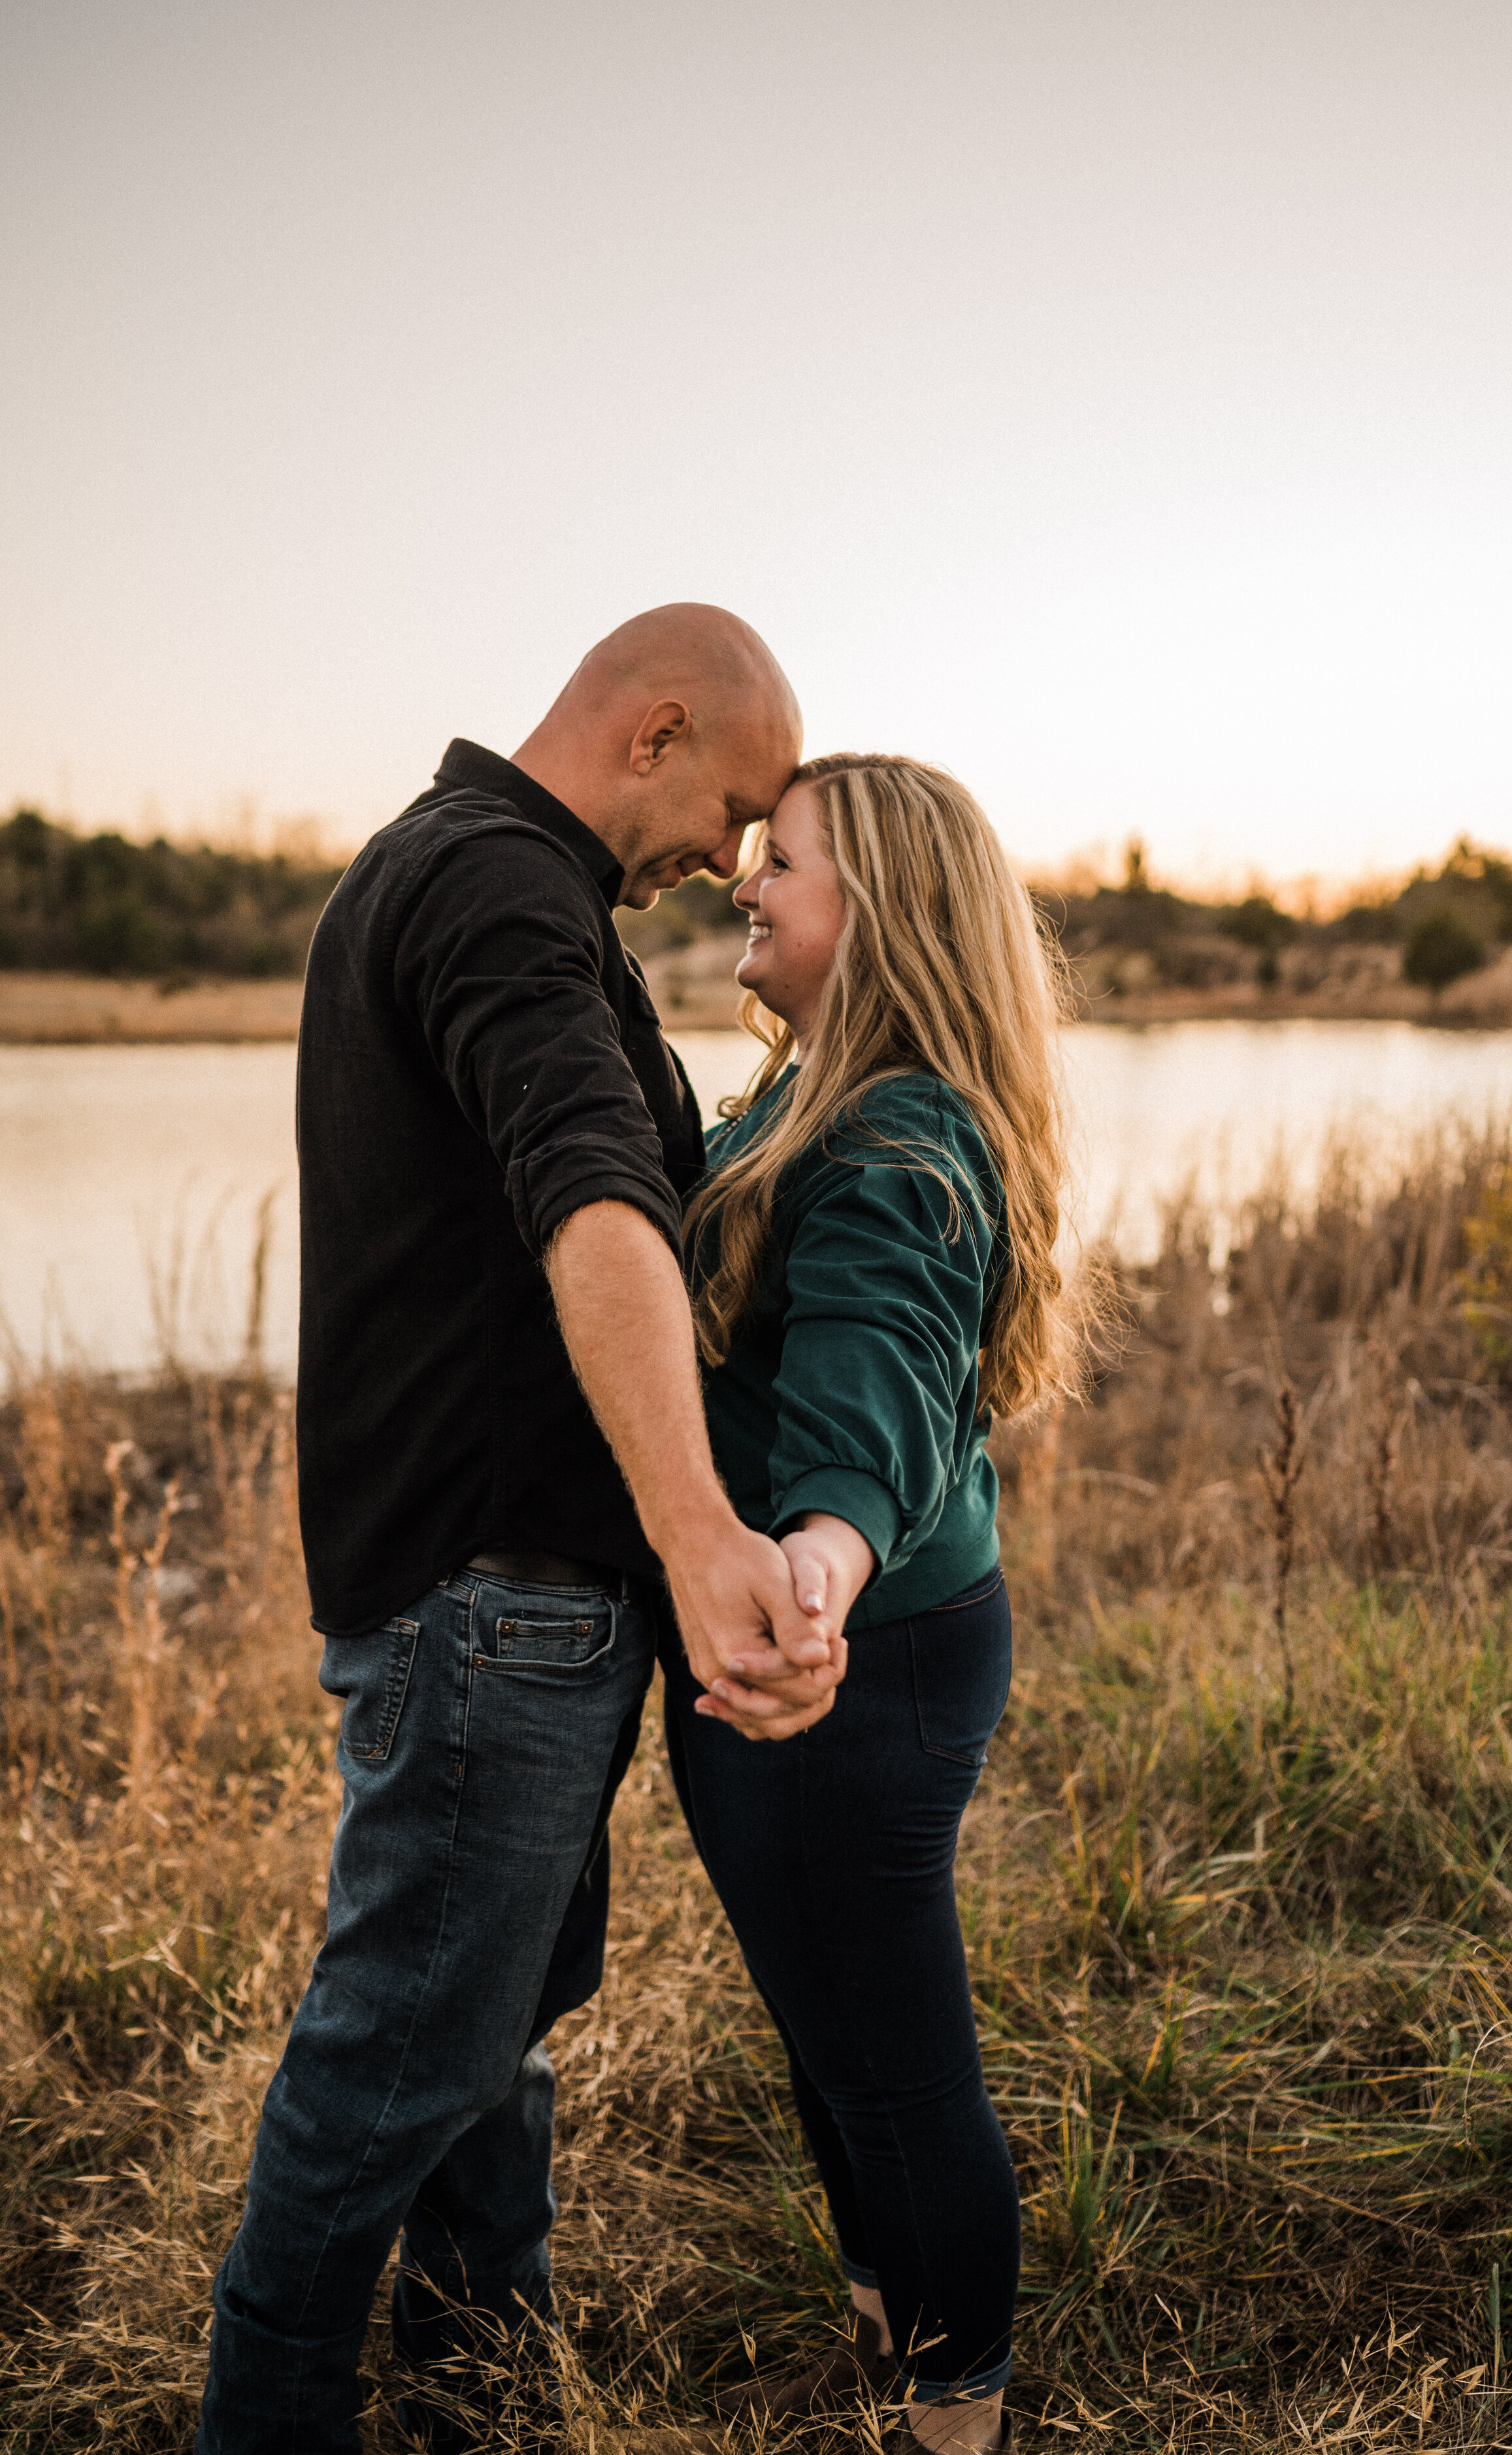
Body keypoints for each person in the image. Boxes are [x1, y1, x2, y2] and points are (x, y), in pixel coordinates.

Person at [195, 605, 848, 2455]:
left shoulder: (466, 873)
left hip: (486, 1600)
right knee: (393, 2064)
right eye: (727, 808)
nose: (727, 859)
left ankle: (485, 2406)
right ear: (649, 731)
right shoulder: (496, 886)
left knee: (484, 2052)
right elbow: (590, 1196)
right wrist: (702, 1525)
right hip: (497, 1604)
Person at [664, 754, 1075, 2455]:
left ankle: (953, 2409)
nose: (745, 883)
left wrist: (809, 1580)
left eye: (786, 863)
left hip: (854, 1661)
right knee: (836, 2031)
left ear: (884, 911)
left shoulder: (900, 1132)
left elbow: (876, 1398)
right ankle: (888, 2328)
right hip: (835, 1646)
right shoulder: (816, 1089)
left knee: (894, 2064)